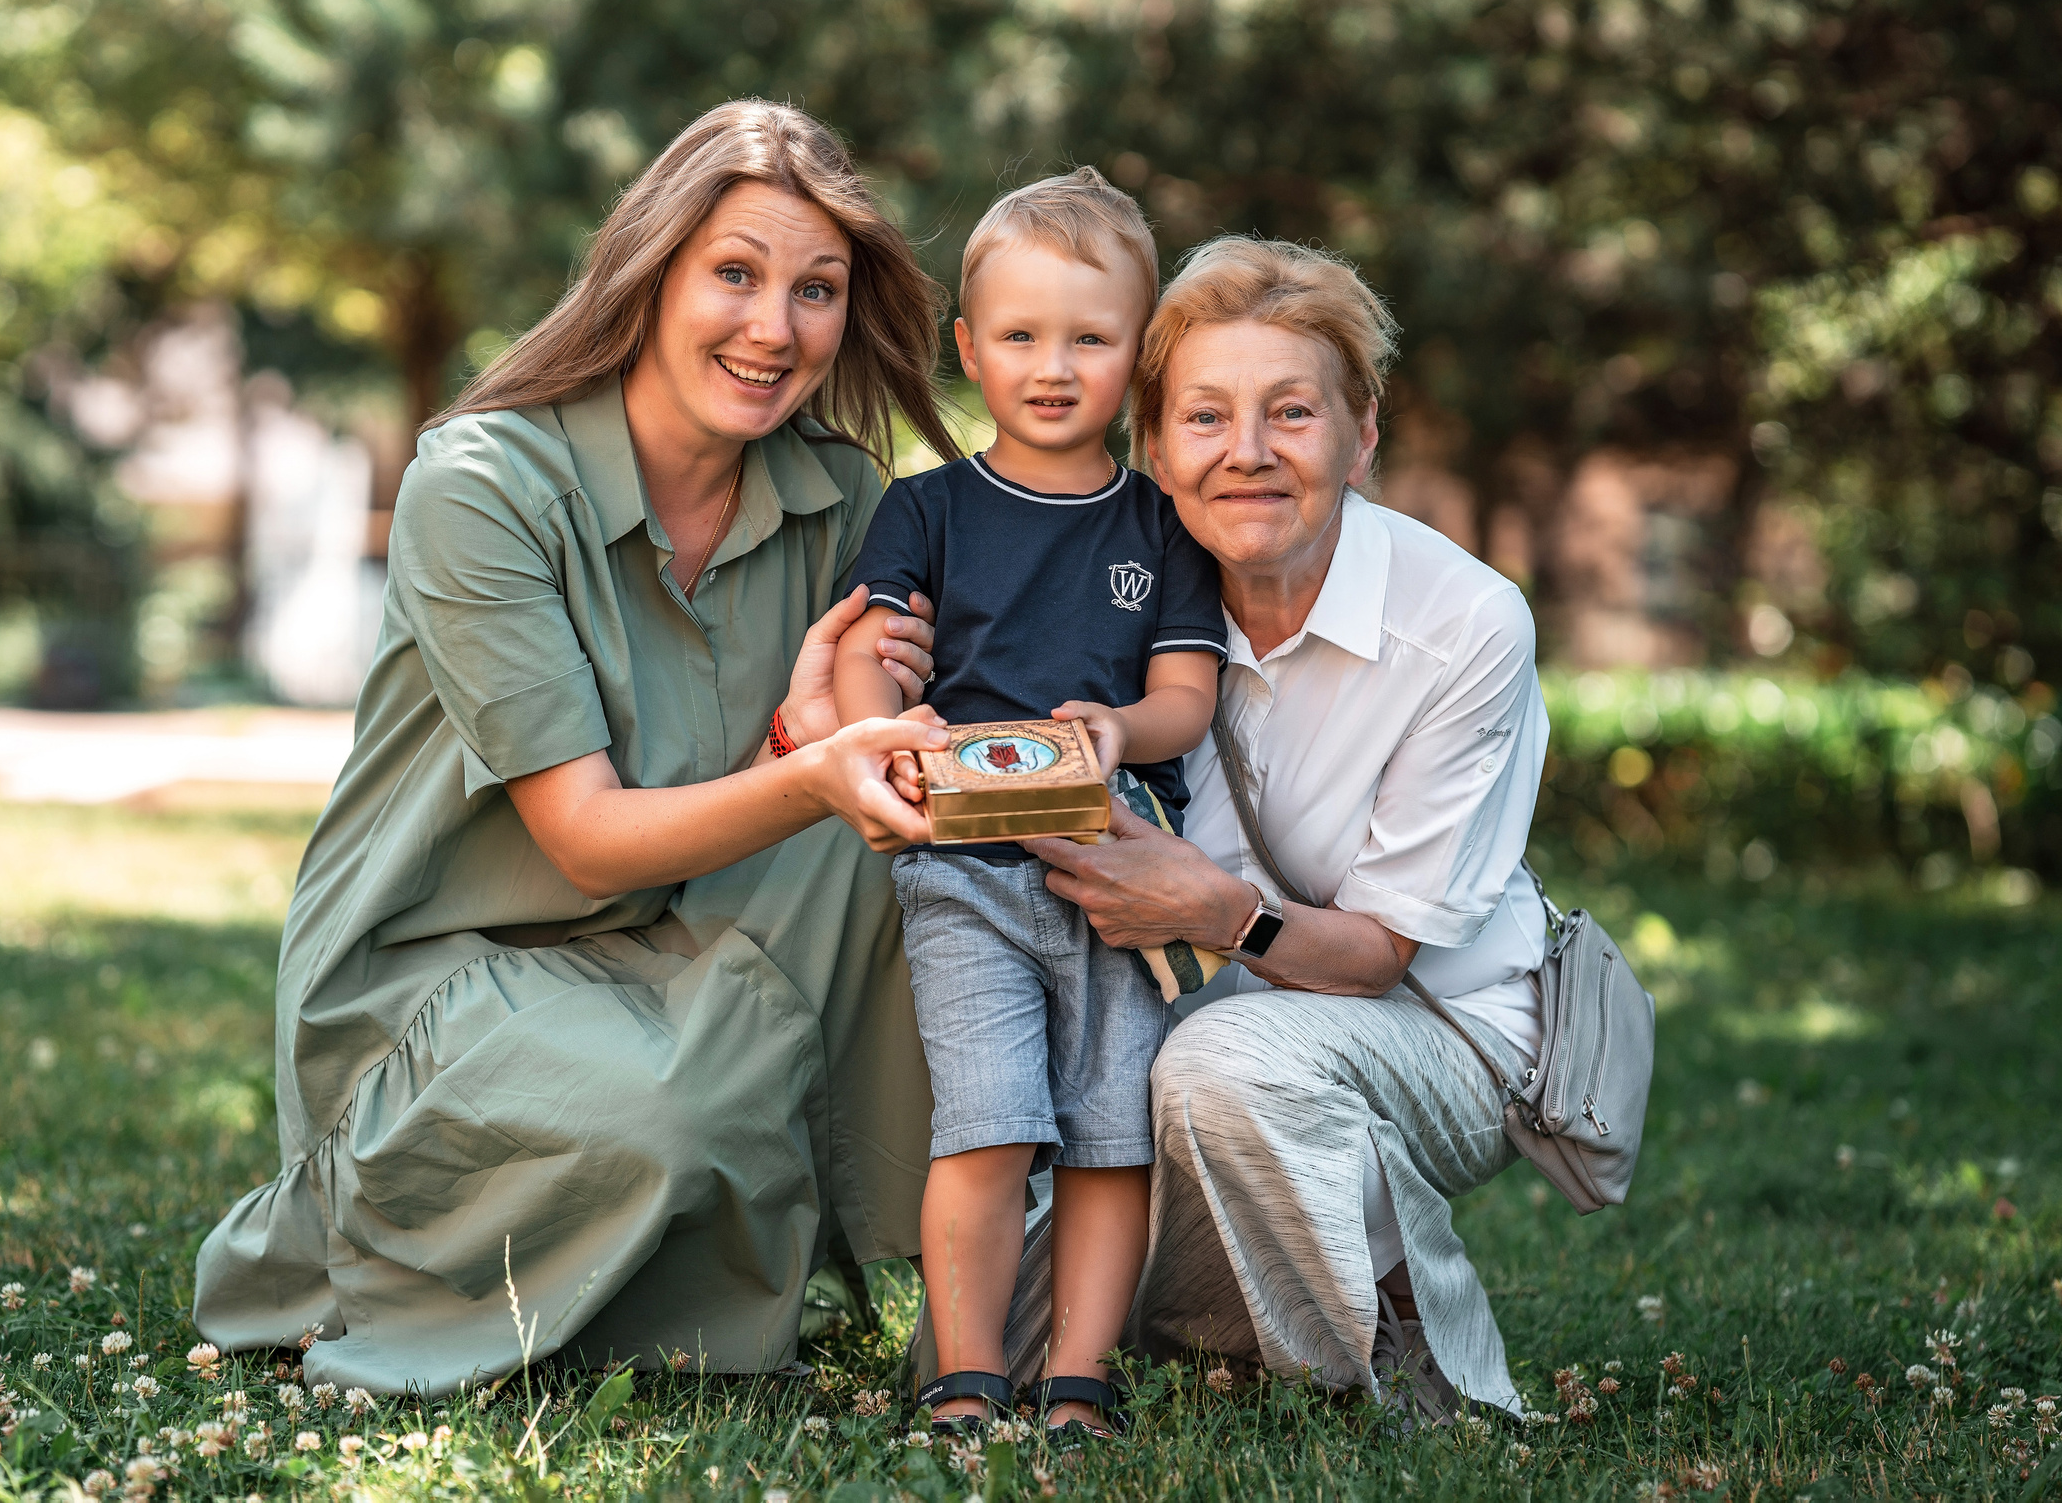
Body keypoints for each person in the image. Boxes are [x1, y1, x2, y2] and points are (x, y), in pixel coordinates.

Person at [192, 100, 966, 1394]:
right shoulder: (485, 483)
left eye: (817, 289)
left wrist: (841, 726)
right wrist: (811, 769)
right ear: (651, 273)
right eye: (736, 272)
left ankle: (1017, 1306)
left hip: (688, 937)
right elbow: (585, 834)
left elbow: (825, 752)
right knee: (674, 1112)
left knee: (951, 894)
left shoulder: (846, 501)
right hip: (451, 973)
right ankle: (326, 1250)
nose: (776, 327)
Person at [1011, 236, 1553, 1423]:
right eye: (1204, 416)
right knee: (1009, 1340)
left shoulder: (1462, 624)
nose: (1245, 452)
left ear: (1362, 433)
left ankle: (1411, 1373)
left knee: (1226, 1067)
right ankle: (1228, 1331)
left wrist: (1210, 908)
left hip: (1439, 1027)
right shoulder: (1117, 589)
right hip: (1200, 1010)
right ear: (1152, 446)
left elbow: (1378, 958)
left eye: (1291, 412)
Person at [834, 171, 1224, 1438]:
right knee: (988, 1123)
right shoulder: (929, 505)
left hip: (1119, 876)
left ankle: (1078, 1375)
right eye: (1018, 336)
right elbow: (871, 645)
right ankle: (963, 1375)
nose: (1052, 368)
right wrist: (881, 718)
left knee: (1114, 1136)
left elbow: (1184, 697)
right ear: (967, 347)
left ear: (1140, 353)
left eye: (1090, 339)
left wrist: (1121, 728)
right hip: (964, 873)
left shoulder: (1159, 526)